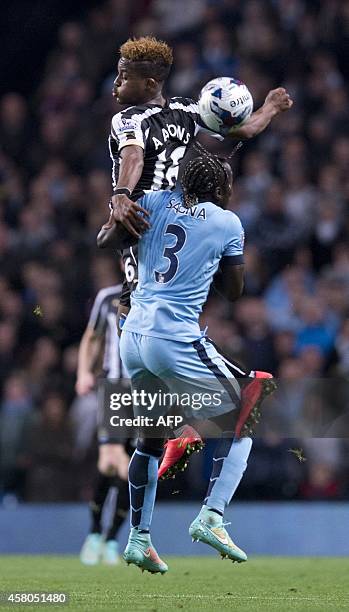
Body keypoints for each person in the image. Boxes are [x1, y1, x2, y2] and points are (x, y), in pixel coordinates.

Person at [102, 35, 291, 477]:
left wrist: (121, 195)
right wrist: (270, 108)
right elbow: (243, 130)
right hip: (183, 225)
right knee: (162, 320)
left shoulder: (128, 118)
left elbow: (131, 156)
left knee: (136, 322)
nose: (115, 83)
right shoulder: (188, 111)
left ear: (149, 82)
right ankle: (174, 429)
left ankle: (181, 424)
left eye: (123, 76)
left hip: (143, 227)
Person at [100, 151, 256, 574]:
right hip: (173, 337)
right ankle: (212, 516)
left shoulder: (150, 201)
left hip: (132, 337)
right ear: (221, 189)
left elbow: (112, 238)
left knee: (149, 441)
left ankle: (138, 539)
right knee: (246, 410)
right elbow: (235, 290)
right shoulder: (227, 222)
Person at [76, 284, 131, 566]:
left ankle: (109, 538)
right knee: (111, 463)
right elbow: (92, 335)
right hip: (115, 387)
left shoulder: (161, 294)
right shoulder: (108, 297)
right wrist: (84, 371)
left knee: (132, 470)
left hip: (150, 389)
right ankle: (95, 532)